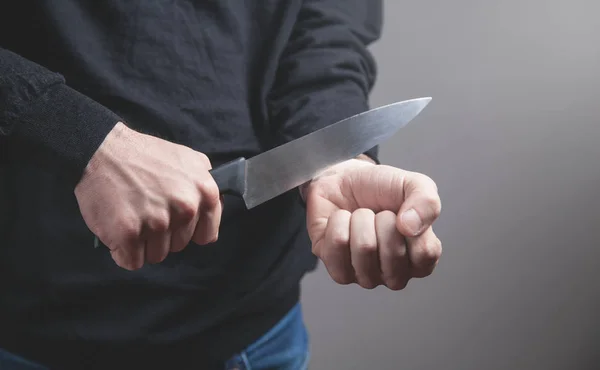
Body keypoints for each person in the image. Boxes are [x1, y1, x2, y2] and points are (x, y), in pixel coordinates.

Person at [0, 1, 442, 369]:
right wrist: (78, 136)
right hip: (32, 322)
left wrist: (332, 156)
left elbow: (323, 26)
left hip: (257, 333)